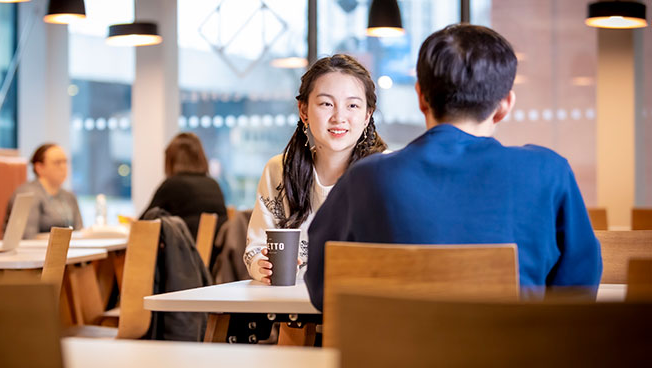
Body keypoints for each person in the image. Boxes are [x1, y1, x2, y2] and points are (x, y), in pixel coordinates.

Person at [304, 24, 602, 310]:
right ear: (505, 105)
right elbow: (577, 292)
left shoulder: (366, 178)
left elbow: (322, 289)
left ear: (421, 97)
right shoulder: (549, 172)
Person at [244, 54, 388, 284]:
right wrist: (262, 266)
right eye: (326, 104)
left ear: (367, 115)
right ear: (304, 111)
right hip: (290, 310)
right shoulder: (279, 171)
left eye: (352, 105)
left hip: (363, 305)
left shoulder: (386, 173)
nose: (339, 117)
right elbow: (256, 247)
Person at [143, 132, 228, 243]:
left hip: (184, 258)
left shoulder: (172, 185)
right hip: (213, 257)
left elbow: (142, 225)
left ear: (171, 160)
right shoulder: (214, 185)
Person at [3, 143, 83, 239]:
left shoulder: (69, 196)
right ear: (39, 168)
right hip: (37, 252)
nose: (63, 167)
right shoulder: (28, 193)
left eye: (65, 162)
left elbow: (80, 232)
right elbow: (27, 238)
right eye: (57, 162)